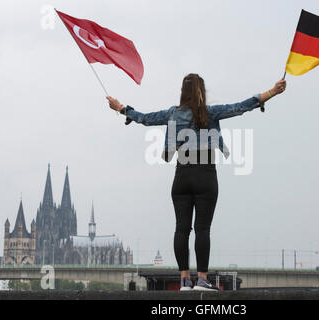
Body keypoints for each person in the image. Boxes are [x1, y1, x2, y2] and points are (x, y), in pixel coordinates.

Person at [107, 74, 286, 291]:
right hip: (206, 176)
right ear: (202, 91)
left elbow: (145, 118)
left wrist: (121, 108)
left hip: (181, 177)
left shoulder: (173, 113)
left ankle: (184, 280)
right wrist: (272, 92)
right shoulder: (211, 113)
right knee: (203, 229)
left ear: (183, 91)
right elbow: (241, 107)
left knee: (181, 229)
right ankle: (201, 279)